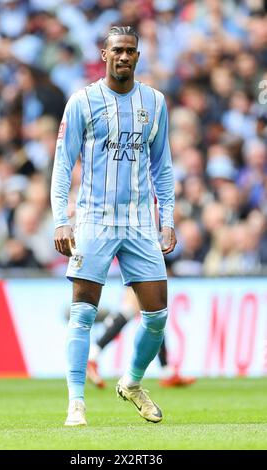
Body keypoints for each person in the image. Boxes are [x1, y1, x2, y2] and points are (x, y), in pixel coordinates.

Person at [51, 26, 176, 426]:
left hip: (140, 223)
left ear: (138, 56)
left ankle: (133, 382)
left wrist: (167, 220)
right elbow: (62, 165)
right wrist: (60, 220)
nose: (124, 57)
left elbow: (163, 167)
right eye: (117, 50)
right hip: (94, 220)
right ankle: (76, 403)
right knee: (83, 313)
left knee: (157, 317)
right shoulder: (83, 102)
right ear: (104, 54)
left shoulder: (154, 103)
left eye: (131, 51)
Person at [87, 286, 196, 388]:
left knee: (154, 315)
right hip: (143, 267)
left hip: (145, 268)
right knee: (147, 313)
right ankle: (92, 356)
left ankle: (167, 371)